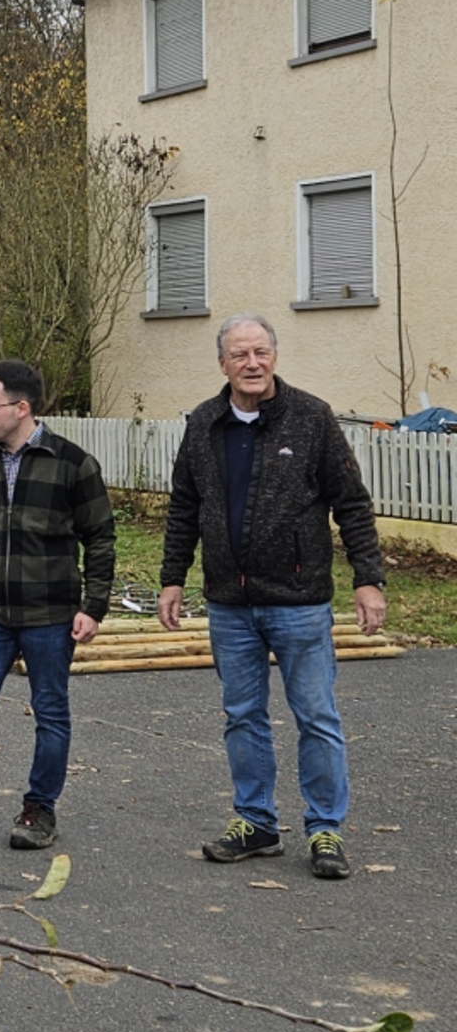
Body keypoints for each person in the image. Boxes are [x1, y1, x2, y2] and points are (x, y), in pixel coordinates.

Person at [158, 314, 385, 881]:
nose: (252, 363)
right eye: (240, 355)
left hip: (299, 599)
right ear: (223, 364)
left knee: (316, 716)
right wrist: (172, 578)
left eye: (261, 352)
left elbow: (351, 503)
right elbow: (185, 507)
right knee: (242, 716)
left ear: (274, 357)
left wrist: (368, 578)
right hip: (229, 604)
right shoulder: (205, 423)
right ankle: (256, 823)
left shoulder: (312, 418)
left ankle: (325, 829)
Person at [0, 360, 116, 858]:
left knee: (51, 714)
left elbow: (100, 539)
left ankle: (39, 810)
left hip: (52, 615)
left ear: (21, 407)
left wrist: (93, 606)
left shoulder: (72, 464)